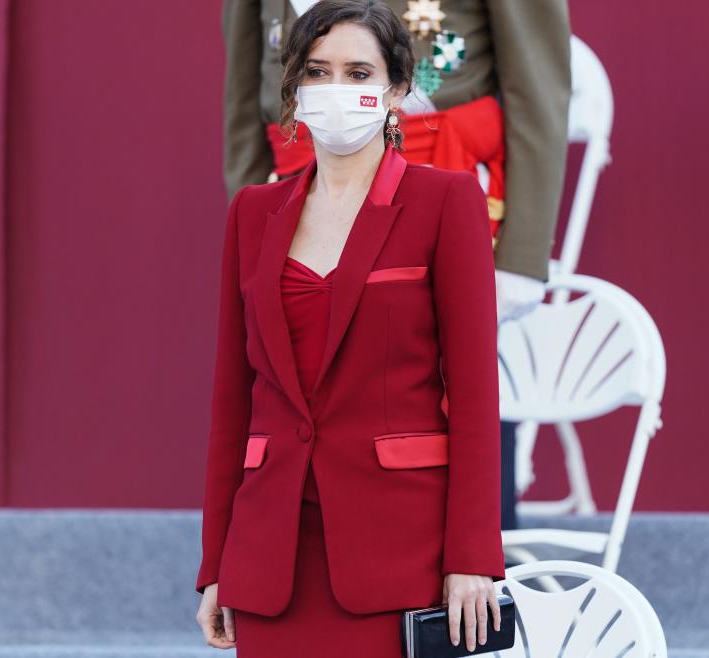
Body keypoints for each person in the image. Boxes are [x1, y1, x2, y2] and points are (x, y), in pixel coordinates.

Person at [195, 2, 505, 655]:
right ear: (294, 88)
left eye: (358, 72)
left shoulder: (445, 203)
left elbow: (475, 399)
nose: (337, 91)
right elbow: (232, 403)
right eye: (318, 71)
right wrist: (216, 566)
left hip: (397, 556)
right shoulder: (252, 213)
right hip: (270, 561)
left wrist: (472, 556)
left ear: (396, 89)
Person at [222, 0, 572, 533]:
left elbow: (536, 80)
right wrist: (253, 226)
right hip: (302, 192)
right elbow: (245, 89)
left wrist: (520, 253)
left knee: (453, 397)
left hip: (436, 182)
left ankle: (467, 581)